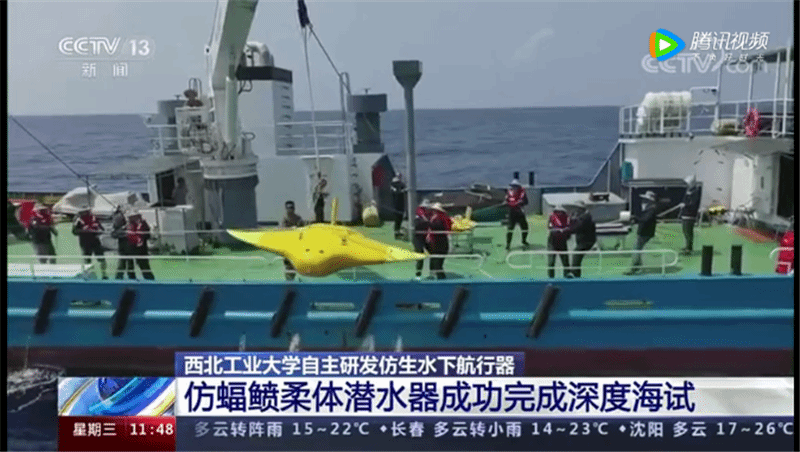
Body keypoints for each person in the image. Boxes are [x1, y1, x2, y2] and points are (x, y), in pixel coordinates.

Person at [625, 191, 659, 275]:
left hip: (645, 233)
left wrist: (635, 218)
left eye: (646, 200)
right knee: (637, 249)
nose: (644, 201)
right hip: (643, 232)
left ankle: (635, 266)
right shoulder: (649, 208)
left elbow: (645, 219)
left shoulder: (651, 210)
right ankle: (637, 265)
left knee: (636, 249)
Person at [73, 206, 107, 279]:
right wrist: (85, 231)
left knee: (102, 259)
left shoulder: (94, 218)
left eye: (87, 211)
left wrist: (99, 231)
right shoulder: (78, 220)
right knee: (87, 260)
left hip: (96, 241)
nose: (87, 212)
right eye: (84, 212)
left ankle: (104, 274)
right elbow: (74, 232)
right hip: (85, 242)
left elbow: (102, 228)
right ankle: (89, 275)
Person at [567, 200, 596, 278]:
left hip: (587, 241)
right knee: (577, 255)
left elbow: (578, 227)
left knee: (576, 254)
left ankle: (574, 273)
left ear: (581, 208)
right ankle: (576, 274)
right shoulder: (583, 216)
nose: (575, 210)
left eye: (577, 208)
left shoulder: (585, 217)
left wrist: (567, 229)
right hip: (583, 241)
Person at [126, 211, 155, 280]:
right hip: (131, 247)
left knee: (144, 265)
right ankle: (132, 279)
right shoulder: (130, 225)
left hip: (141, 249)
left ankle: (149, 279)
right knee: (130, 265)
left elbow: (147, 235)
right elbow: (128, 235)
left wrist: (141, 237)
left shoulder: (143, 224)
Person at [677, 174, 702, 255]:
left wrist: (685, 205)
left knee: (688, 232)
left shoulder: (696, 192)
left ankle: (689, 248)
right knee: (685, 231)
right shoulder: (688, 191)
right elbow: (686, 200)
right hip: (685, 214)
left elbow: (694, 204)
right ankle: (687, 246)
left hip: (690, 215)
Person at [428, 203, 453, 280]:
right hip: (438, 242)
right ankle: (435, 276)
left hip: (438, 243)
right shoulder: (443, 218)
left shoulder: (439, 219)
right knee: (435, 261)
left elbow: (436, 228)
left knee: (437, 263)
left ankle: (440, 278)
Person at [504, 179, 530, 251]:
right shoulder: (509, 193)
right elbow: (506, 201)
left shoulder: (522, 193)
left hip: (520, 212)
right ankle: (508, 244)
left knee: (525, 228)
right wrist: (506, 202)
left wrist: (521, 202)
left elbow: (526, 202)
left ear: (518, 187)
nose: (514, 187)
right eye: (513, 186)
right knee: (510, 229)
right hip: (512, 213)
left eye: (516, 186)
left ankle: (524, 240)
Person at [282, 201, 304, 281]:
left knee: (297, 264)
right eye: (288, 208)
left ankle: (296, 279)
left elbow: (303, 230)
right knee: (288, 265)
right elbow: (282, 230)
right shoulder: (284, 219)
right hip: (287, 245)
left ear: (294, 208)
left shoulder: (298, 218)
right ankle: (289, 280)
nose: (290, 209)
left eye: (291, 207)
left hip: (296, 245)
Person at [547, 205, 571, 278]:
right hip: (552, 242)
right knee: (551, 262)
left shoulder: (567, 218)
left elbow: (569, 228)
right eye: (557, 211)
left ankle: (566, 277)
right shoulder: (552, 217)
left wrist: (565, 232)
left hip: (562, 242)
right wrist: (557, 230)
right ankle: (551, 278)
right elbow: (549, 227)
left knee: (565, 262)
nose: (559, 213)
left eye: (560, 211)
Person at [413, 201, 433, 280]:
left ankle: (432, 273)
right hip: (418, 238)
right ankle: (418, 274)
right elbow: (417, 225)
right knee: (420, 257)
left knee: (433, 254)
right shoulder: (418, 217)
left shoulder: (429, 215)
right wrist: (426, 220)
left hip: (426, 238)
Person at [111, 206, 133, 279]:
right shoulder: (118, 216)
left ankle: (128, 277)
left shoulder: (119, 216)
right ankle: (121, 277)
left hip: (128, 243)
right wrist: (125, 229)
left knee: (128, 263)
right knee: (124, 262)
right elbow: (116, 230)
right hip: (124, 243)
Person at [390, 173, 407, 239]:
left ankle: (397, 232)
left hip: (399, 203)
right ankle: (396, 233)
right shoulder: (394, 185)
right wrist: (402, 191)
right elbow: (397, 192)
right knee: (398, 219)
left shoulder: (398, 184)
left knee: (399, 218)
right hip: (397, 204)